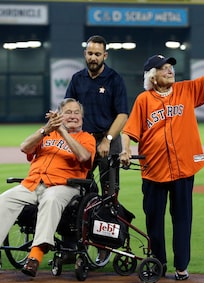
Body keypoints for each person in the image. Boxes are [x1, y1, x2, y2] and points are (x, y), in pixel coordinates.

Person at [120, 26, 204, 281]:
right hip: (153, 171)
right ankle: (159, 263)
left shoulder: (185, 90)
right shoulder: (144, 100)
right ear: (152, 76)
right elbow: (129, 131)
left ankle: (182, 266)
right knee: (154, 221)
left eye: (170, 66)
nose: (169, 69)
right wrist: (126, 149)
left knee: (182, 220)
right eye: (164, 68)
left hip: (183, 168)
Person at [0, 98, 96, 278]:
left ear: (82, 117)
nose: (73, 116)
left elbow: (84, 157)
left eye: (76, 112)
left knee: (51, 198)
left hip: (65, 186)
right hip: (33, 183)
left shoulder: (87, 138)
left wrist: (62, 131)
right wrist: (45, 130)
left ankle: (35, 257)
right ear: (59, 115)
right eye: (68, 112)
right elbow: (25, 147)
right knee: (2, 200)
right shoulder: (47, 134)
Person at [64, 34, 128, 267]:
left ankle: (104, 246)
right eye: (90, 53)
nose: (93, 57)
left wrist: (107, 140)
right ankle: (72, 246)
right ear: (85, 54)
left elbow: (122, 114)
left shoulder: (114, 79)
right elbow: (68, 110)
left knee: (109, 197)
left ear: (105, 56)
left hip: (107, 144)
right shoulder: (77, 79)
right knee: (75, 195)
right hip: (82, 144)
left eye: (97, 54)